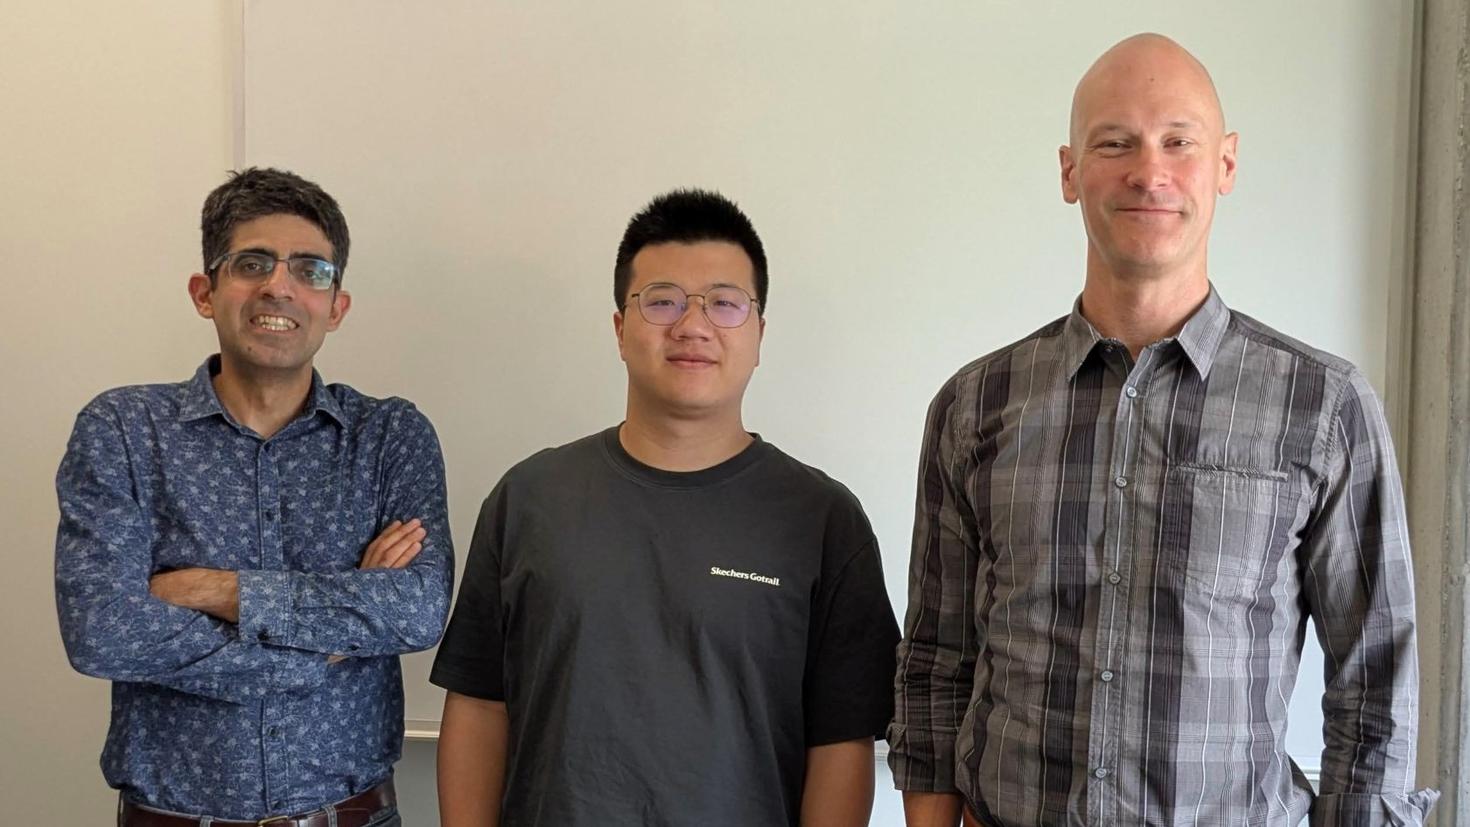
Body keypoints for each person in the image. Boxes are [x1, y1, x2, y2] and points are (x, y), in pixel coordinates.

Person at [888, 33, 1438, 827]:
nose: (1150, 171)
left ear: (1226, 164)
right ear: (1070, 171)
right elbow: (936, 661)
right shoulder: (976, 404)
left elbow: (1376, 680)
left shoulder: (1324, 406)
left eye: (1179, 141)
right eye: (1114, 143)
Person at [432, 189, 900, 826]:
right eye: (663, 301)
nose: (693, 325)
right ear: (621, 329)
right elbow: (481, 705)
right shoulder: (530, 498)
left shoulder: (823, 519)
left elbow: (841, 743)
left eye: (725, 304)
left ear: (759, 333)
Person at [55, 167, 452, 826]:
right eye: (252, 263)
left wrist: (213, 589)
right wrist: (333, 640)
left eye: (310, 270)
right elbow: (102, 632)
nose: (279, 285)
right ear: (205, 292)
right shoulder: (122, 430)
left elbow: (415, 609)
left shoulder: (390, 436)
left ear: (337, 305)